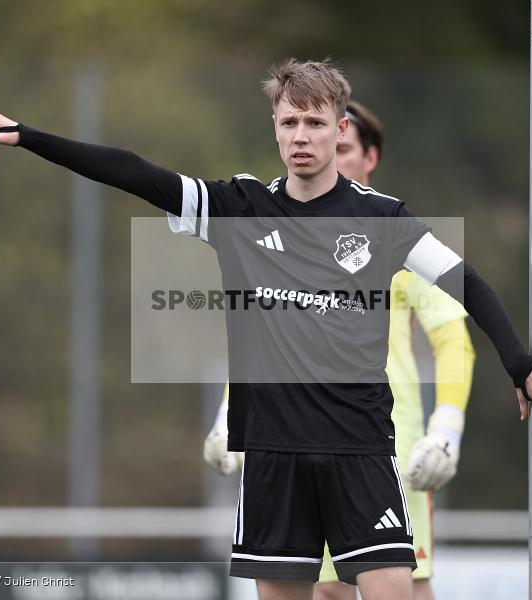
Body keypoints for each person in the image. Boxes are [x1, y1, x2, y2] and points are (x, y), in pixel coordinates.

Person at [0, 58, 532, 600]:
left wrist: (521, 365)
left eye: (316, 123)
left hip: (361, 453)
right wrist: (26, 136)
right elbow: (132, 170)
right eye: (290, 122)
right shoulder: (238, 208)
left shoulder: (383, 218)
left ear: (342, 130)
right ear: (275, 129)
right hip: (273, 458)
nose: (301, 136)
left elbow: (465, 282)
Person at [203, 100, 476, 600]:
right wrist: (228, 413)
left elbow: (453, 338)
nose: (325, 152)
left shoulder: (391, 233)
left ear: (368, 157)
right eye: (294, 126)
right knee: (326, 592)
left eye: (343, 147)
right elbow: (265, 338)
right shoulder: (278, 231)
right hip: (300, 436)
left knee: (410, 588)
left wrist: (446, 427)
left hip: (386, 445)